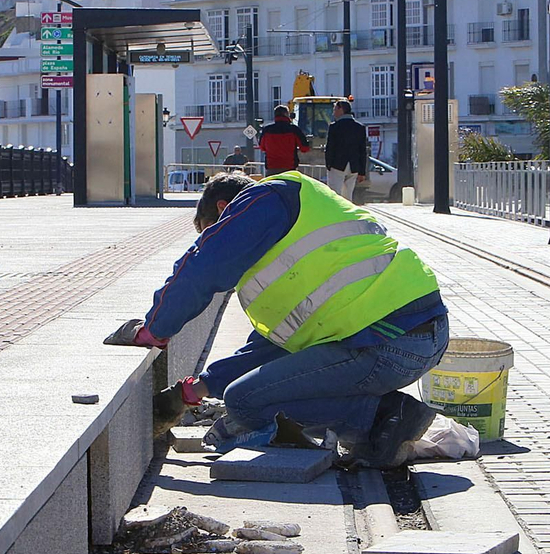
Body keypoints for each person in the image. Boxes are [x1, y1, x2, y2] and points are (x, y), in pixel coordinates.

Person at [109, 170, 450, 468]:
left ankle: (379, 420)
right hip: (414, 334)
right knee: (250, 392)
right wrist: (193, 391)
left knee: (244, 400)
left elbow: (201, 268)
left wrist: (152, 331)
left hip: (386, 340)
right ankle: (382, 419)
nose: (209, 240)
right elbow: (272, 350)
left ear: (223, 211)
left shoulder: (264, 200)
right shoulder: (296, 223)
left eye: (208, 231)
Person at [324, 99, 369, 201]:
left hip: (337, 165)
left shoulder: (334, 127)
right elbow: (362, 150)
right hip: (353, 165)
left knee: (334, 195)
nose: (333, 112)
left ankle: (335, 215)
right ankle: (347, 215)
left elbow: (330, 147)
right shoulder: (359, 127)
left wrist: (328, 164)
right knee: (348, 196)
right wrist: (362, 171)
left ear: (341, 109)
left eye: (335, 109)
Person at [257, 104, 311, 174]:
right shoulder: (294, 129)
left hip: (272, 168)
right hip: (289, 169)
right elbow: (304, 148)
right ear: (286, 114)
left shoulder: (266, 130)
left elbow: (262, 147)